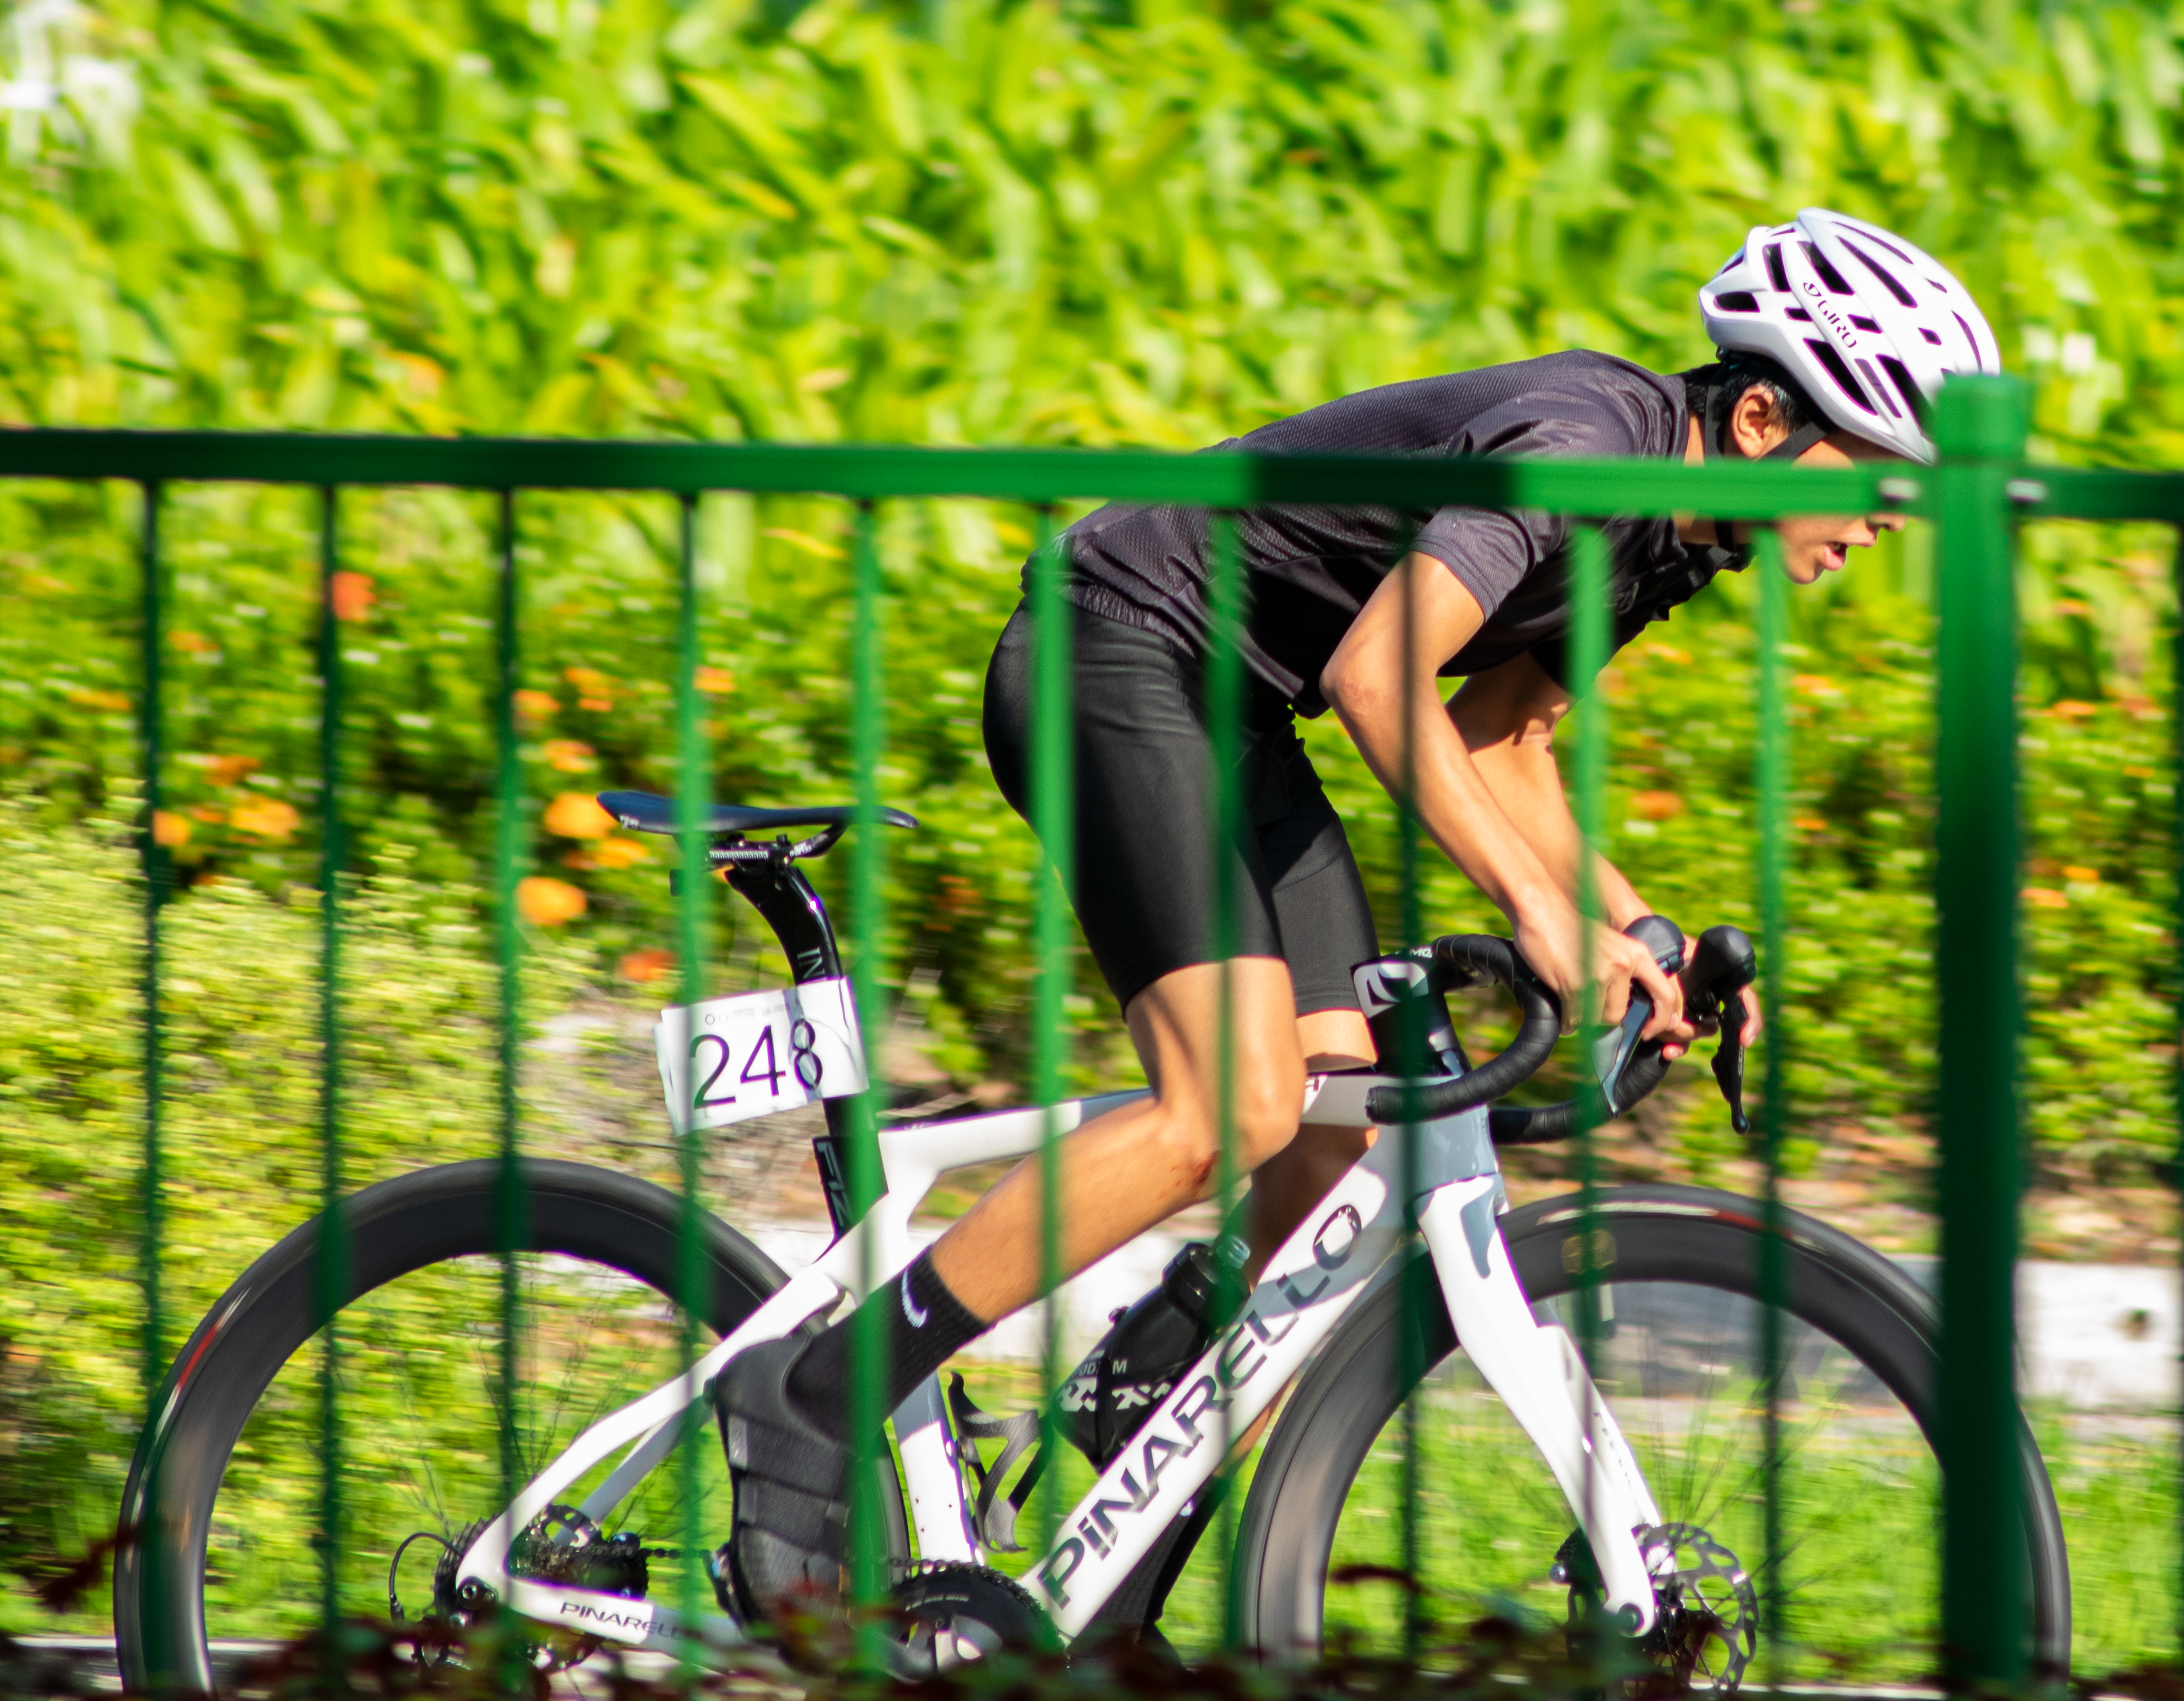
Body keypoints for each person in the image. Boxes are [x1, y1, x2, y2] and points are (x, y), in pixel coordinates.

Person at [708, 208, 1999, 1636]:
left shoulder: (1667, 533)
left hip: (1232, 706)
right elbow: (1379, 673)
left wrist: (1641, 928)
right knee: (1230, 1104)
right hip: (1114, 650)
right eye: (1877, 467)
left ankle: (1138, 1422)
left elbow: (1500, 738)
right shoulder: (1578, 455)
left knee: (1334, 1141)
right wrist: (1531, 910)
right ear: (1761, 415)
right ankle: (813, 1391)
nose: (1891, 511)